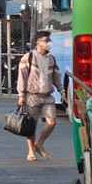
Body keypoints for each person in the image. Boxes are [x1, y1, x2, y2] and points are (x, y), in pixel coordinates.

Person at [16, 30, 64, 161]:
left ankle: (39, 144)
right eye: (45, 40)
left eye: (49, 40)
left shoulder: (51, 59)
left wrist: (62, 91)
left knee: (52, 122)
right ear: (37, 43)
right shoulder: (28, 57)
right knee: (31, 125)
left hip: (47, 96)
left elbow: (57, 77)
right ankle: (31, 151)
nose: (48, 43)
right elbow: (22, 77)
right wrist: (21, 95)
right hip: (32, 96)